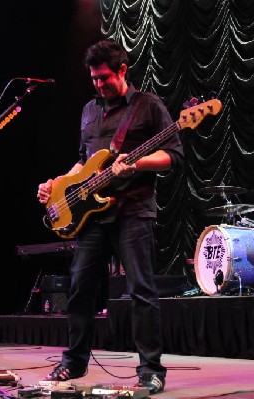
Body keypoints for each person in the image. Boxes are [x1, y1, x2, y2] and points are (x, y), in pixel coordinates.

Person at [36, 40, 184, 395]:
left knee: (141, 292)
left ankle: (150, 369)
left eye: (104, 78)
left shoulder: (148, 105)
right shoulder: (88, 110)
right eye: (93, 79)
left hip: (133, 209)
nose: (99, 85)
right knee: (80, 290)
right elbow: (83, 162)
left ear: (122, 70)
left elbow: (173, 157)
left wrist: (135, 161)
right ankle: (73, 361)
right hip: (91, 216)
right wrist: (58, 185)